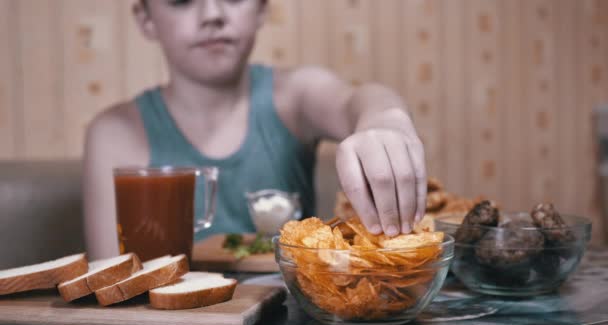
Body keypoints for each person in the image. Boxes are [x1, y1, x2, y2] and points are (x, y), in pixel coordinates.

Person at [83, 0, 426, 260]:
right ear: (146, 21)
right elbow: (113, 280)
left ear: (263, 9)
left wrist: (387, 120)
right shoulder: (114, 133)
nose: (212, 13)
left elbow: (359, 100)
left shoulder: (296, 94)